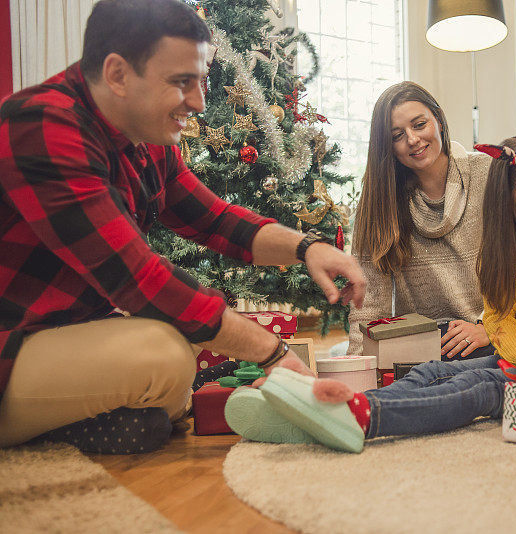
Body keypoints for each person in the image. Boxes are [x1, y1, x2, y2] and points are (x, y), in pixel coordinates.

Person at [0, 0, 364, 454]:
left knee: (184, 345)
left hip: (62, 331)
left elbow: (216, 220)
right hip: (12, 341)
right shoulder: (42, 125)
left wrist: (308, 248)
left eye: (201, 81)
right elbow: (138, 279)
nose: (199, 102)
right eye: (181, 82)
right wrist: (274, 354)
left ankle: (94, 420)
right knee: (166, 355)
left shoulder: (145, 136)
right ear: (117, 74)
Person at [233, 129, 516, 453]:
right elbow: (498, 317)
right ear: (507, 207)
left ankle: (363, 416)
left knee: (475, 389)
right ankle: (329, 407)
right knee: (429, 372)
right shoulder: (505, 249)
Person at [346, 81, 493, 361]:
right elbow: (368, 306)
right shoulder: (379, 199)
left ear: (438, 119)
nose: (412, 139)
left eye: (419, 124)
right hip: (420, 345)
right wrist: (357, 370)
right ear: (387, 146)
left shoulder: (486, 173)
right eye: (397, 135)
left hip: (486, 335)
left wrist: (491, 327)